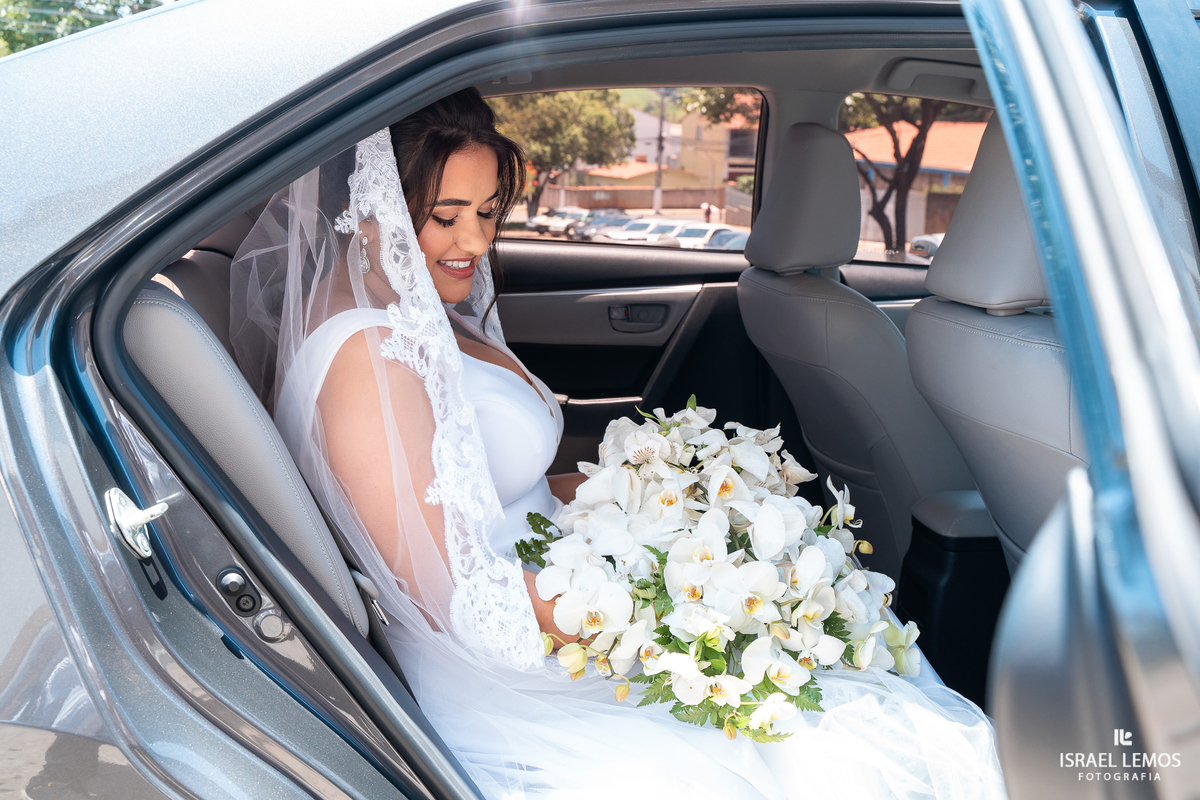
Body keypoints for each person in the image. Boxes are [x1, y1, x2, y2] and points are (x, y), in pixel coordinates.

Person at [230, 88, 1006, 799]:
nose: (474, 239)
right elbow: (457, 600)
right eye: (445, 215)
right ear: (374, 210)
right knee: (837, 740)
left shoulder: (421, 312)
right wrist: (670, 614)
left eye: (490, 209)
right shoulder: (368, 359)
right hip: (507, 675)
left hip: (553, 605)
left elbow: (494, 492)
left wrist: (682, 507)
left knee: (845, 699)